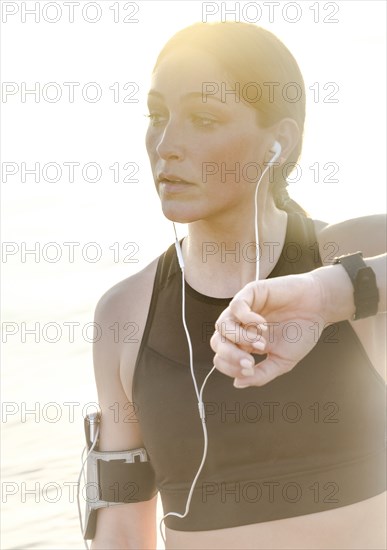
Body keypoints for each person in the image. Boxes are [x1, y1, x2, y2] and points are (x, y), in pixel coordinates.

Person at [90, 22, 386, 550]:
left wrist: (329, 294)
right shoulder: (124, 313)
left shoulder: (349, 254)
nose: (165, 144)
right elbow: (120, 530)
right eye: (157, 116)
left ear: (281, 140)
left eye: (203, 119)